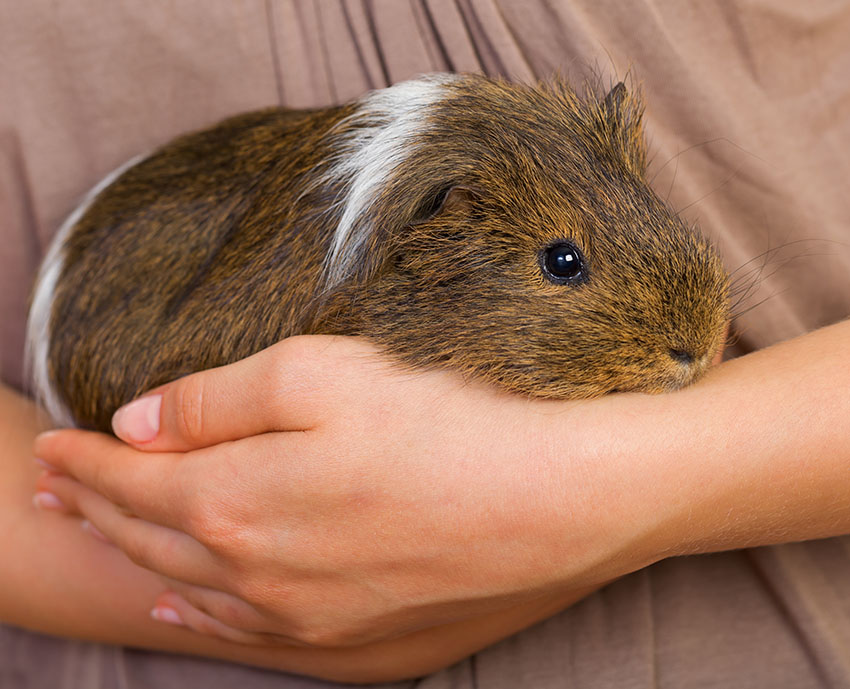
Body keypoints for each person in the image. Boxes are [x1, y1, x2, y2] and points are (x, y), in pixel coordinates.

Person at [2, 1, 850, 687]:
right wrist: (228, 576)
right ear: (443, 223)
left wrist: (611, 491)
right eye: (563, 262)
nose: (692, 340)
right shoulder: (374, 250)